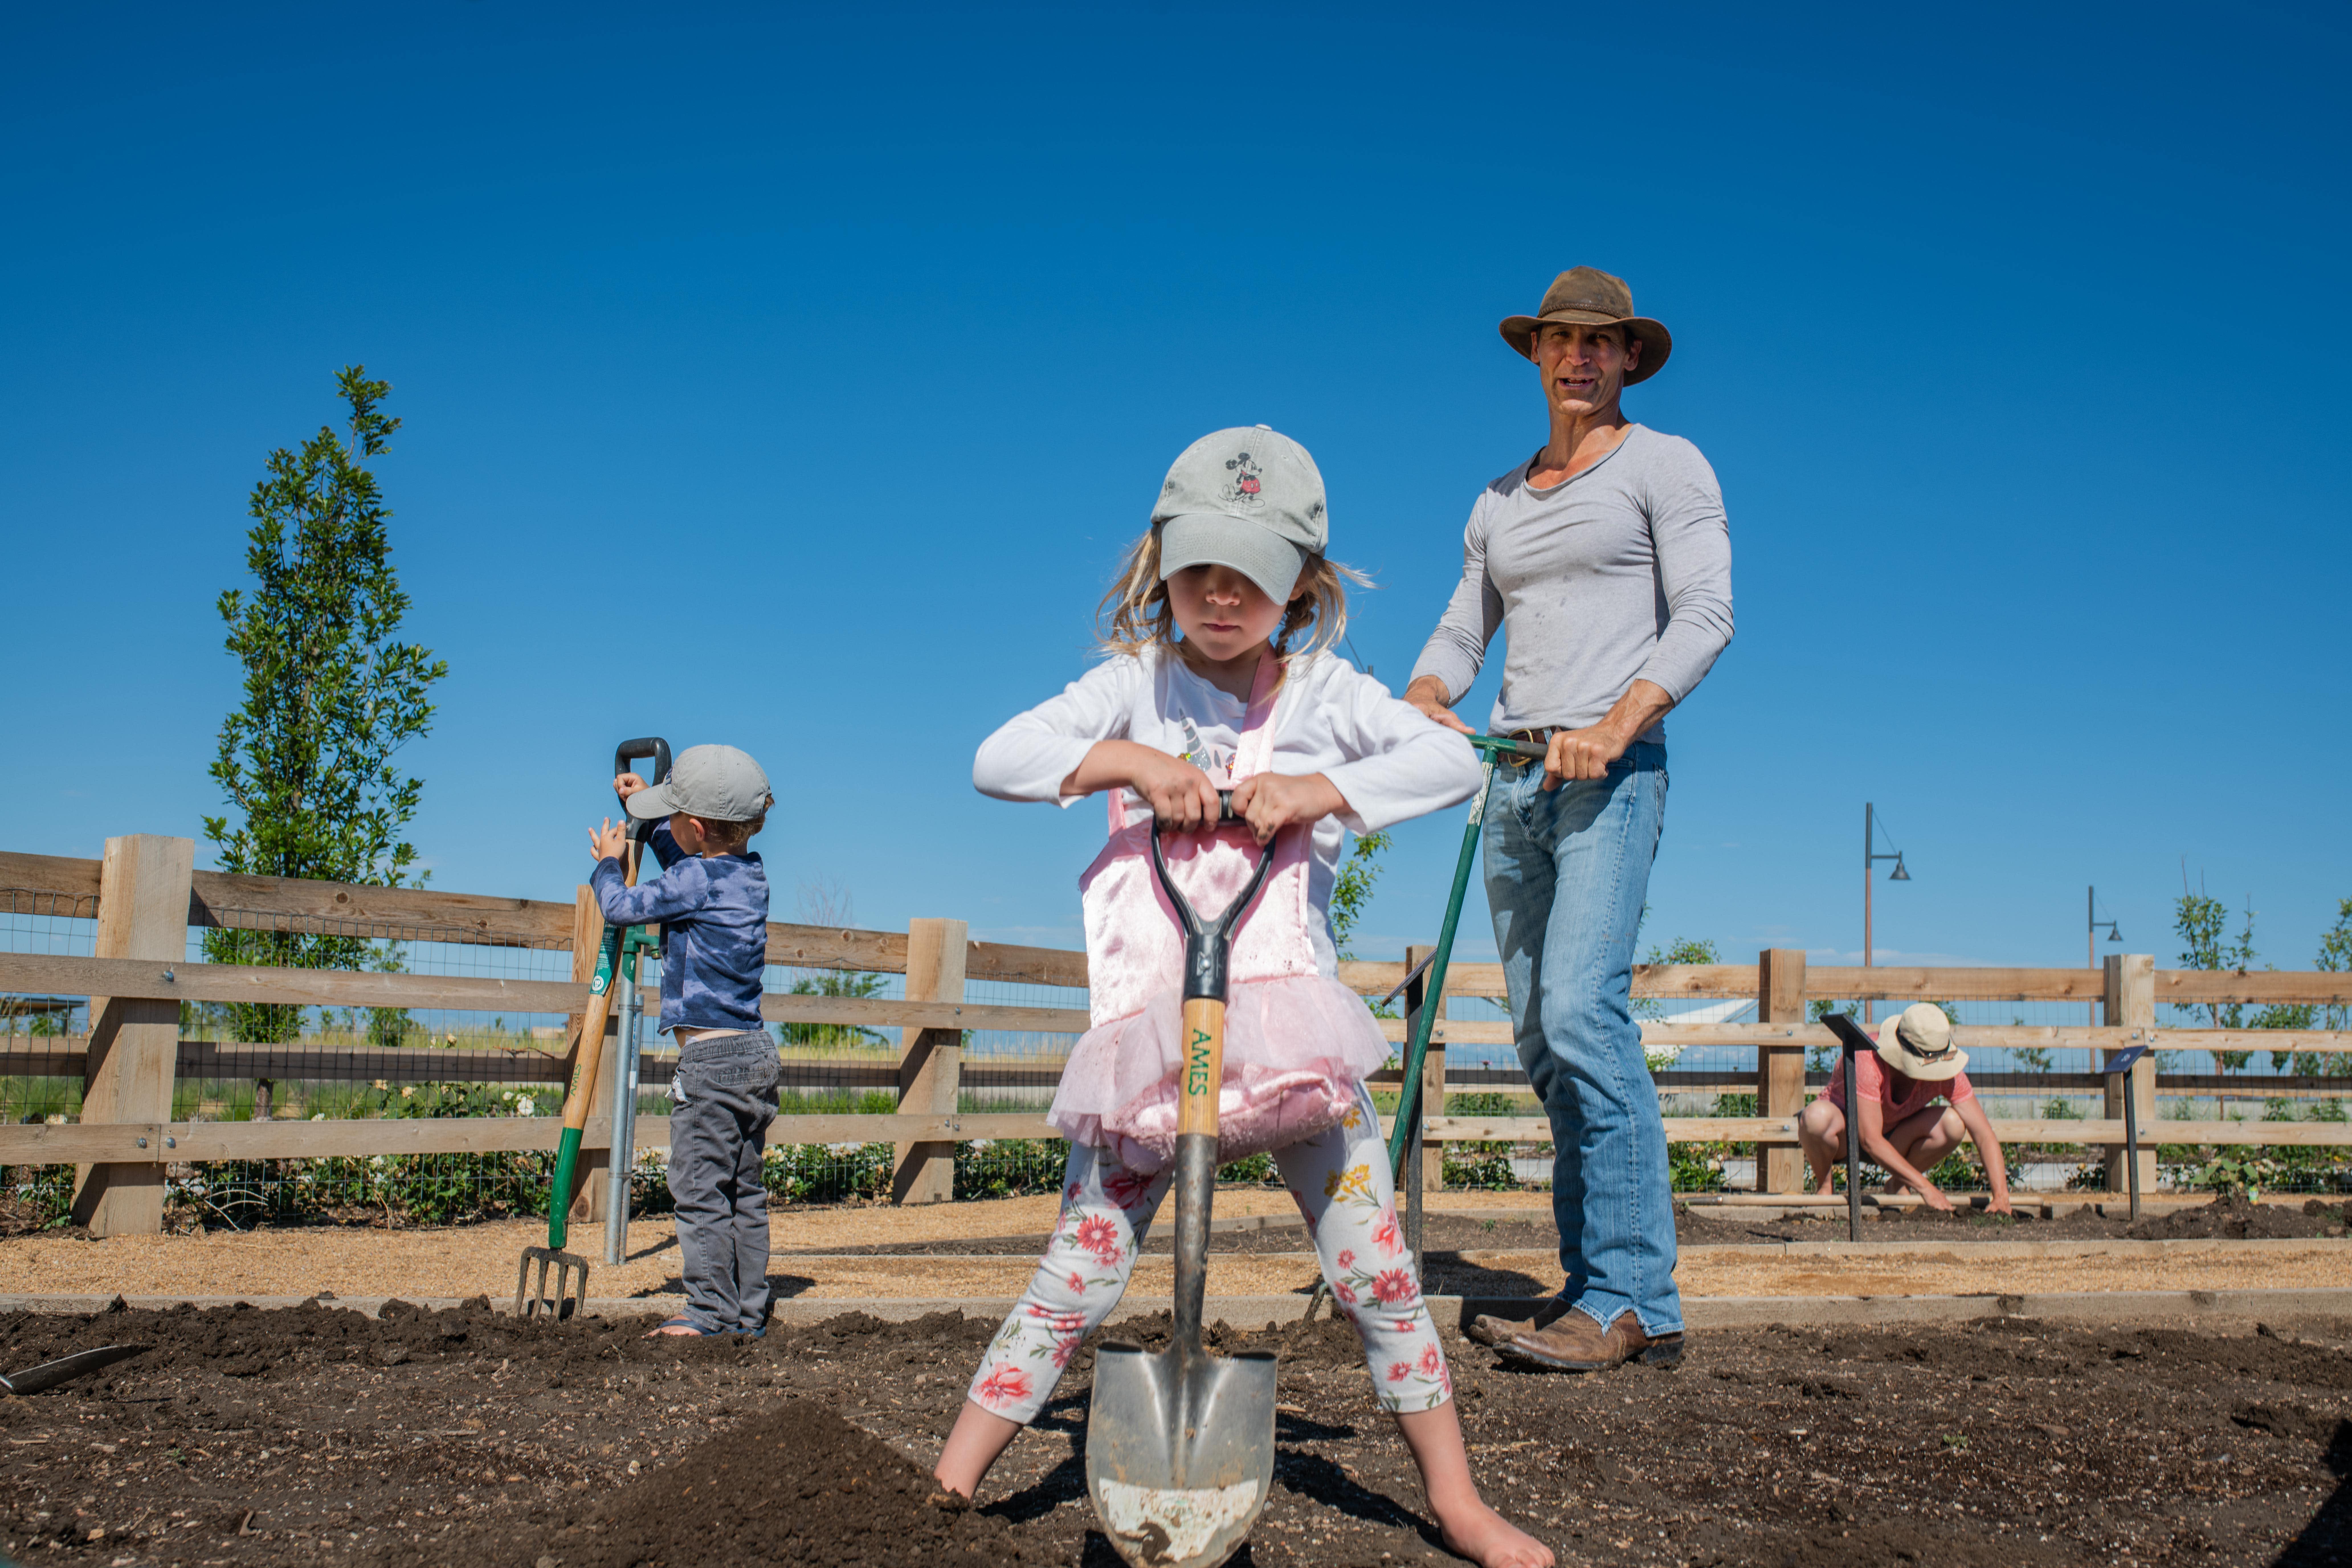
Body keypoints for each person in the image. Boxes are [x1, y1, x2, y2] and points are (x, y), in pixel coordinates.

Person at [936, 426, 1554, 1568]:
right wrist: (1128, 762)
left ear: (1300, 587)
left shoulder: (1319, 691)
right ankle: (952, 1476)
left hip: (1289, 1042)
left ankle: (1460, 1500)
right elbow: (999, 756)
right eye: (1200, 567)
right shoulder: (1132, 684)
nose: (1222, 595)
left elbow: (1453, 761)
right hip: (1153, 1050)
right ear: (1159, 566)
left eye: (1253, 574)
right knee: (1081, 1264)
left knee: (1375, 1265)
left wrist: (1322, 785)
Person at [1404, 267, 1734, 1373]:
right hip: (1511, 781)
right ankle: (1594, 1289)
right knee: (1547, 1041)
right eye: (1562, 340)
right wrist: (1424, 697)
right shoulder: (1497, 499)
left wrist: (1618, 716)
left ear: (1629, 357)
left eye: (1604, 342)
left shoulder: (1665, 466)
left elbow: (1707, 612)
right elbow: (1464, 630)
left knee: (1588, 1012)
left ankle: (1637, 1292)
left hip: (1611, 770)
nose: (1582, 358)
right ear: (1537, 354)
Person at [588, 744, 779, 1337]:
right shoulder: (748, 875)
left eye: (673, 815)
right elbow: (687, 869)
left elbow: (622, 906)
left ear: (695, 826)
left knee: (699, 1191)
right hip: (753, 1054)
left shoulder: (695, 877)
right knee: (743, 1192)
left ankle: (708, 1314)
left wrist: (609, 860)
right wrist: (646, 812)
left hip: (711, 1063)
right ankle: (745, 1312)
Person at [1797, 1003, 2014, 1215]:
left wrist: (2001, 1197)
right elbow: (1869, 1140)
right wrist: (1926, 1188)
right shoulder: (1867, 1057)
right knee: (1816, 1118)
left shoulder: (1946, 1066)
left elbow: (1984, 1134)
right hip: (1845, 1137)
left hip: (1895, 1140)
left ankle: (1898, 1185)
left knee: (1953, 1124)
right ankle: (1825, 1187)